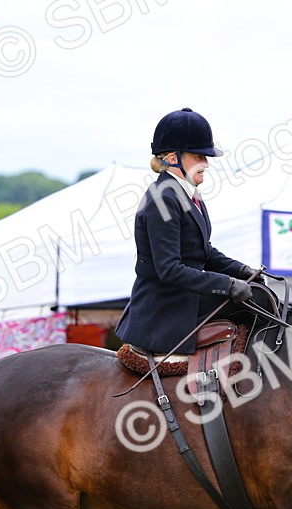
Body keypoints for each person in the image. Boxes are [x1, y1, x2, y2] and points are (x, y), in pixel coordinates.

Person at [114, 108, 258, 355]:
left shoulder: (187, 195)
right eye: (199, 156)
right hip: (165, 311)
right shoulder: (162, 199)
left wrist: (242, 271)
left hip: (187, 299)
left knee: (262, 298)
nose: (207, 164)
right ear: (172, 158)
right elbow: (169, 269)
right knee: (256, 305)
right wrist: (227, 284)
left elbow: (204, 251)